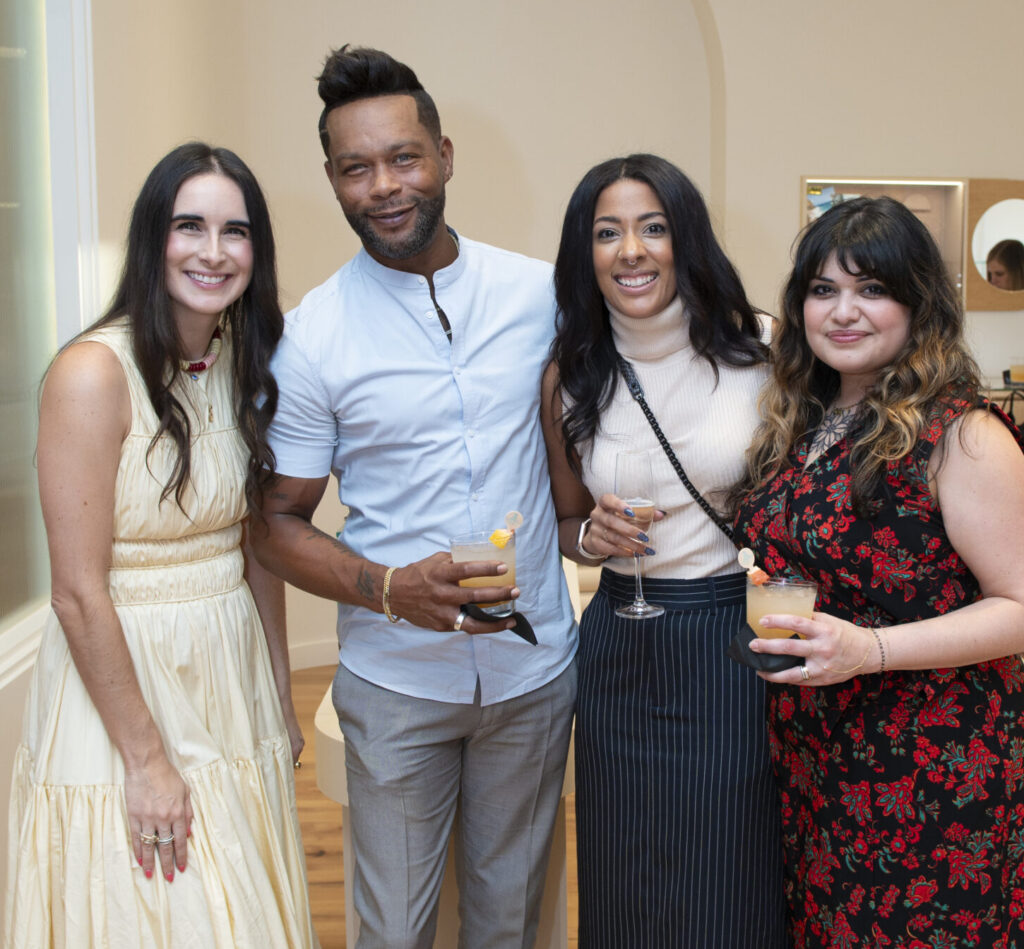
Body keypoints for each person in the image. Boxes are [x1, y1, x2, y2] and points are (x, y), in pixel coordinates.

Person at [250, 46, 577, 949]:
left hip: (534, 672)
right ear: (332, 180)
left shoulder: (538, 294)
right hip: (395, 685)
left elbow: (579, 457)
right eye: (357, 168)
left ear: (444, 154)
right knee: (392, 930)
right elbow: (273, 522)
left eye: (404, 158)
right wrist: (394, 589)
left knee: (508, 921)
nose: (385, 186)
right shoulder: (312, 336)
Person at [3, 144, 314, 947]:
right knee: (159, 914)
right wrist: (144, 760)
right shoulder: (90, 374)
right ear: (153, 239)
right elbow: (75, 588)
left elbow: (255, 546)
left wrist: (278, 689)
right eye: (190, 226)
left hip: (227, 670)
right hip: (126, 684)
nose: (213, 252)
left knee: (240, 911)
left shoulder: (239, 362)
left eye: (235, 231)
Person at [731, 196, 1024, 948]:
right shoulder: (800, 422)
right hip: (815, 764)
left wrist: (873, 649)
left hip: (933, 770)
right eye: (823, 290)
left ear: (917, 303)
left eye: (872, 289)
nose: (843, 311)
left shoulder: (963, 434)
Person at [541, 153, 786, 947]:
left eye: (653, 227)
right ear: (586, 253)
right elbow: (566, 522)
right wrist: (591, 536)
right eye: (607, 233)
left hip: (729, 639)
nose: (632, 250)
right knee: (625, 869)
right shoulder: (571, 375)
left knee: (730, 860)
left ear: (686, 239)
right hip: (620, 638)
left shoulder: (764, 354)